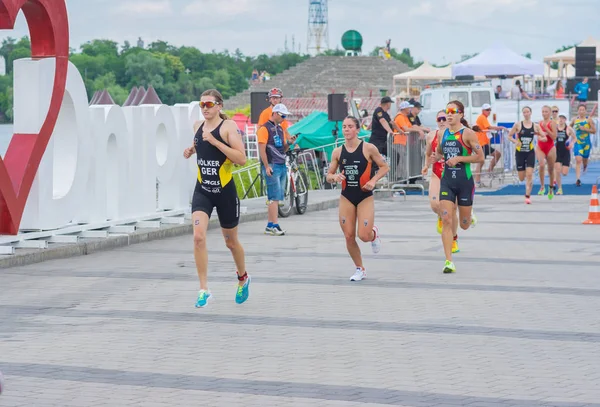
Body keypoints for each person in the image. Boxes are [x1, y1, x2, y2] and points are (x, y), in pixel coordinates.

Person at [183, 89, 250, 308]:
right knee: (198, 237)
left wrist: (215, 142)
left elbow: (242, 159)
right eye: (202, 104)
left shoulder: (228, 127)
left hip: (224, 192)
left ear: (219, 106)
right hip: (202, 190)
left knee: (230, 242)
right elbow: (200, 145)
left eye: (209, 104)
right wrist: (191, 149)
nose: (205, 108)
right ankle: (204, 289)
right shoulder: (197, 126)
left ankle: (243, 277)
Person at [326, 116, 388, 281]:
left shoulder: (368, 148)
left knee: (364, 236)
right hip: (347, 196)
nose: (346, 129)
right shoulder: (338, 152)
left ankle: (373, 234)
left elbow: (384, 167)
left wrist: (373, 181)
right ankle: (360, 268)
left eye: (350, 126)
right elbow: (328, 175)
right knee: (348, 235)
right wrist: (335, 177)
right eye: (344, 127)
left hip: (364, 195)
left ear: (357, 129)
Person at [435, 100, 484, 274]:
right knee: (447, 218)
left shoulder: (468, 134)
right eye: (447, 111)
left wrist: (459, 159)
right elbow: (440, 152)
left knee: (464, 225)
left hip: (464, 181)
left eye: (452, 111)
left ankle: (468, 215)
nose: (448, 114)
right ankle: (449, 261)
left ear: (461, 114)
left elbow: (480, 157)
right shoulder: (443, 134)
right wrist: (435, 157)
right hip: (447, 180)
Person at [421, 110, 460, 254]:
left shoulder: (457, 134)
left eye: (445, 118)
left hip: (453, 174)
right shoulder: (431, 135)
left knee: (453, 210)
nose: (442, 121)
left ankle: (454, 238)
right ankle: (439, 215)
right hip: (437, 173)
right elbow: (428, 153)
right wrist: (426, 166)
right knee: (435, 204)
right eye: (439, 119)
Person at [258, 103, 294, 235]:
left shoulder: (280, 129)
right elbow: (262, 148)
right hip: (272, 165)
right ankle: (274, 225)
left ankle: (270, 224)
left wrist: (289, 143)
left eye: (285, 116)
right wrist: (266, 166)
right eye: (282, 115)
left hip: (281, 163)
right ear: (275, 114)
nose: (284, 118)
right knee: (274, 196)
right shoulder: (264, 129)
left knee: (277, 197)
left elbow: (282, 149)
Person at [507, 106, 542, 204]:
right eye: (524, 112)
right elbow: (509, 136)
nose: (526, 114)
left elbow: (543, 135)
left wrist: (542, 137)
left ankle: (527, 196)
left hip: (530, 152)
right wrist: (515, 141)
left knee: (529, 174)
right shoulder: (518, 125)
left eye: (528, 112)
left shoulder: (535, 126)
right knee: (521, 177)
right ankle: (527, 181)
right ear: (523, 114)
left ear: (531, 113)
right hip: (520, 153)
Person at [474, 103, 506, 187]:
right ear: (483, 111)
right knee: (481, 161)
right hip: (481, 143)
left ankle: (489, 171)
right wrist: (501, 128)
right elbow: (489, 127)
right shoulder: (482, 117)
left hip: (484, 143)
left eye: (489, 110)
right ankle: (478, 180)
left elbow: (487, 129)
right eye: (487, 110)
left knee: (497, 154)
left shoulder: (483, 118)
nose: (489, 111)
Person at [571, 104, 597, 186]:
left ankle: (585, 166)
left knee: (585, 160)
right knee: (578, 160)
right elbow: (569, 128)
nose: (581, 111)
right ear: (578, 111)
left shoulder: (589, 120)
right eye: (580, 110)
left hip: (586, 143)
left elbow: (594, 131)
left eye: (583, 110)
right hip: (578, 142)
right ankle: (578, 179)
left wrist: (585, 129)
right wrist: (571, 134)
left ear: (585, 111)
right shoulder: (574, 119)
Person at [537, 106, 558, 199]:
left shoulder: (552, 123)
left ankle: (550, 187)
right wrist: (542, 137)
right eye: (543, 111)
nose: (544, 113)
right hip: (540, 146)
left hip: (550, 147)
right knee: (541, 165)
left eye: (546, 111)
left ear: (550, 113)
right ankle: (542, 186)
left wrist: (547, 129)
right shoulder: (539, 123)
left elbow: (554, 137)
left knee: (550, 169)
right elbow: (538, 136)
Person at [554, 114, 575, 195]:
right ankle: (560, 189)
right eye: (560, 118)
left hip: (566, 152)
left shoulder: (568, 128)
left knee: (564, 173)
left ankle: (558, 184)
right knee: (558, 170)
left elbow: (575, 138)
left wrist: (572, 144)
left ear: (565, 120)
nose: (561, 120)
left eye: (563, 119)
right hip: (557, 151)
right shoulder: (555, 128)